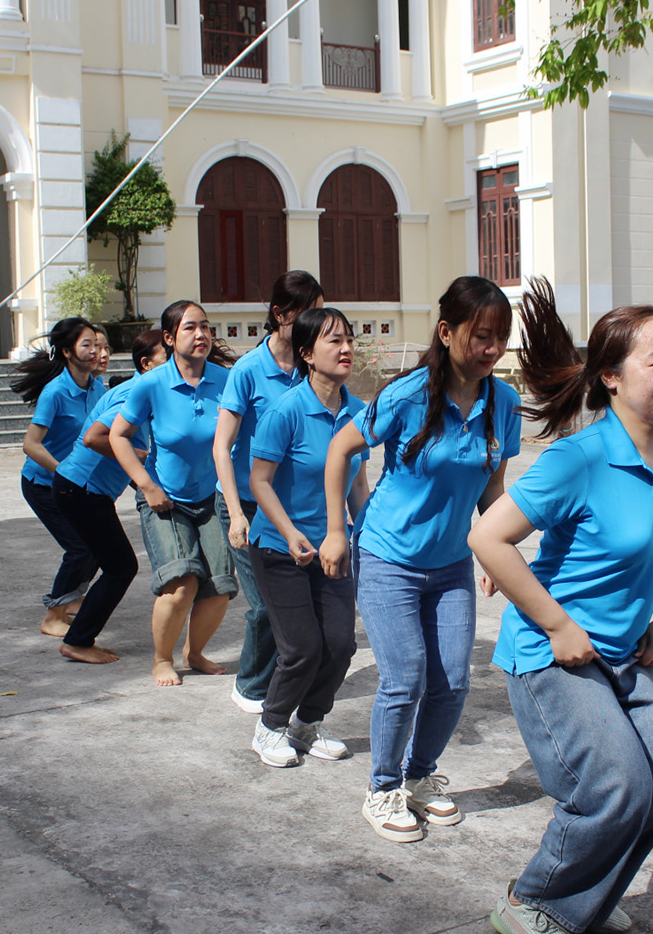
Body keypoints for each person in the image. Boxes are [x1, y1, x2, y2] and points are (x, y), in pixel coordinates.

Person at [468, 278, 653, 934]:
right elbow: (488, 537)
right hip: (554, 654)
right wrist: (557, 624)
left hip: (626, 651)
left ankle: (587, 900)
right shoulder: (581, 458)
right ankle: (534, 902)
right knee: (615, 786)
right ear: (612, 377)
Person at [320, 276, 521, 843]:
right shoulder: (407, 396)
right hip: (388, 556)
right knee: (405, 678)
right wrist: (336, 529)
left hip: (451, 564)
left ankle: (418, 775)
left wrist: (496, 551)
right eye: (481, 336)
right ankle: (382, 788)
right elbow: (340, 449)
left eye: (501, 337)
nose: (492, 349)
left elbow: (492, 488)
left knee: (453, 681)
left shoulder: (503, 403)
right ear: (447, 331)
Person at [245, 307, 372, 767]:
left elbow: (357, 483)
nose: (346, 348)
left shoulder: (359, 413)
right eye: (334, 340)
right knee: (302, 648)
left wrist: (368, 535)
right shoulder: (286, 410)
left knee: (340, 646)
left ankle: (306, 725)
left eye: (349, 339)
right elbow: (259, 481)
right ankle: (270, 726)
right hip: (280, 548)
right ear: (307, 353)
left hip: (333, 550)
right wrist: (289, 531)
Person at [109, 301, 239, 687]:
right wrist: (146, 485)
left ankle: (194, 653)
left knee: (220, 586)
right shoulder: (151, 384)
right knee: (182, 583)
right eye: (190, 328)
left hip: (213, 497)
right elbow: (117, 436)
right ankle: (162, 658)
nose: (201, 335)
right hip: (164, 498)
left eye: (205, 327)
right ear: (169, 337)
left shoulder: (227, 380)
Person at [214, 270, 325, 715]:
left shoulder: (311, 368)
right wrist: (236, 513)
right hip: (246, 503)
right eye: (310, 313)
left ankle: (287, 683)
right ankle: (251, 686)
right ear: (280, 314)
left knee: (300, 604)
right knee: (265, 606)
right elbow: (222, 446)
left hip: (290, 507)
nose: (319, 323)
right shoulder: (248, 371)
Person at [51, 329, 168, 664]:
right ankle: (77, 640)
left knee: (111, 562)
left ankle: (76, 634)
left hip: (85, 490)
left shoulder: (148, 391)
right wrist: (142, 459)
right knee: (121, 567)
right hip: (81, 489)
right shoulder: (134, 391)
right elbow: (95, 438)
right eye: (168, 358)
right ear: (146, 364)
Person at [12, 318, 107, 636]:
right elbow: (31, 444)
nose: (95, 352)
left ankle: (72, 600)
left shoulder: (97, 388)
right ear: (67, 351)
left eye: (97, 345)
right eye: (87, 345)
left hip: (76, 485)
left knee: (97, 545)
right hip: (43, 484)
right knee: (80, 548)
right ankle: (53, 615)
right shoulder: (55, 392)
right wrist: (64, 471)